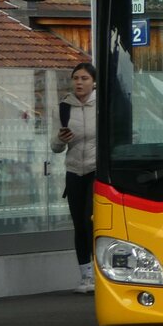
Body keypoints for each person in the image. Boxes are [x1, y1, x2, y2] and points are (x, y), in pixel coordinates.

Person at [52, 62, 97, 294]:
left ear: (94, 82)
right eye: (76, 78)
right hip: (74, 171)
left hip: (96, 171)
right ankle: (86, 275)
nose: (79, 83)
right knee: (79, 223)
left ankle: (100, 272)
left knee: (92, 221)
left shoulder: (102, 106)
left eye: (84, 79)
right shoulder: (64, 108)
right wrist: (62, 138)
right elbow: (56, 147)